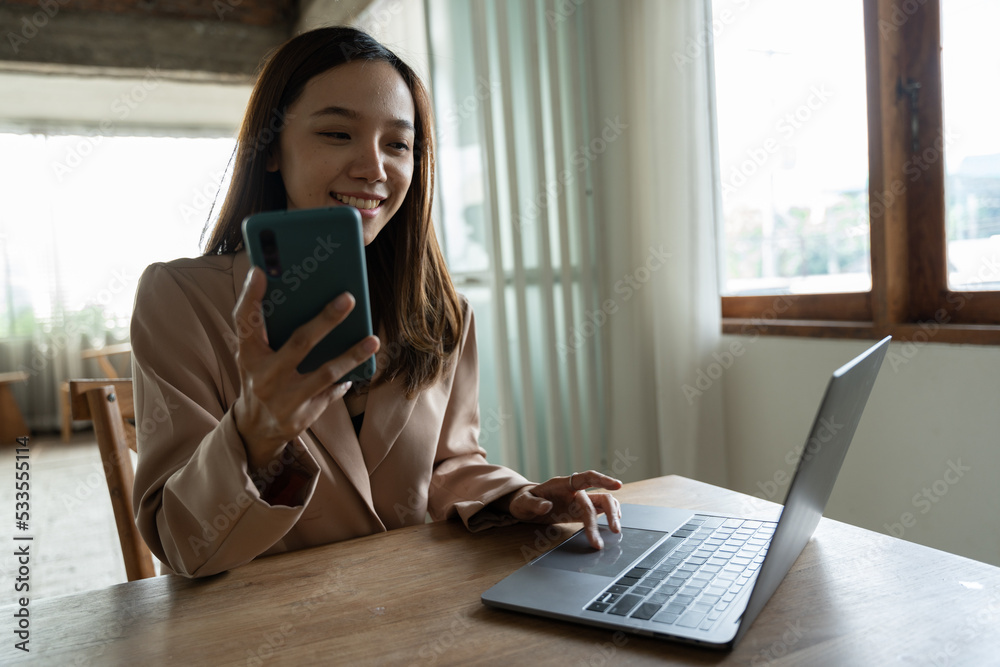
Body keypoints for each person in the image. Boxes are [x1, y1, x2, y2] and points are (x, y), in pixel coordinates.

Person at [130, 26, 622, 578]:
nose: (374, 167)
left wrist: (517, 497)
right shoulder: (180, 299)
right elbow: (181, 544)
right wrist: (256, 433)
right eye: (338, 134)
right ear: (270, 149)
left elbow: (447, 464)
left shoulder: (442, 312)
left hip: (412, 611)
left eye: (397, 144)